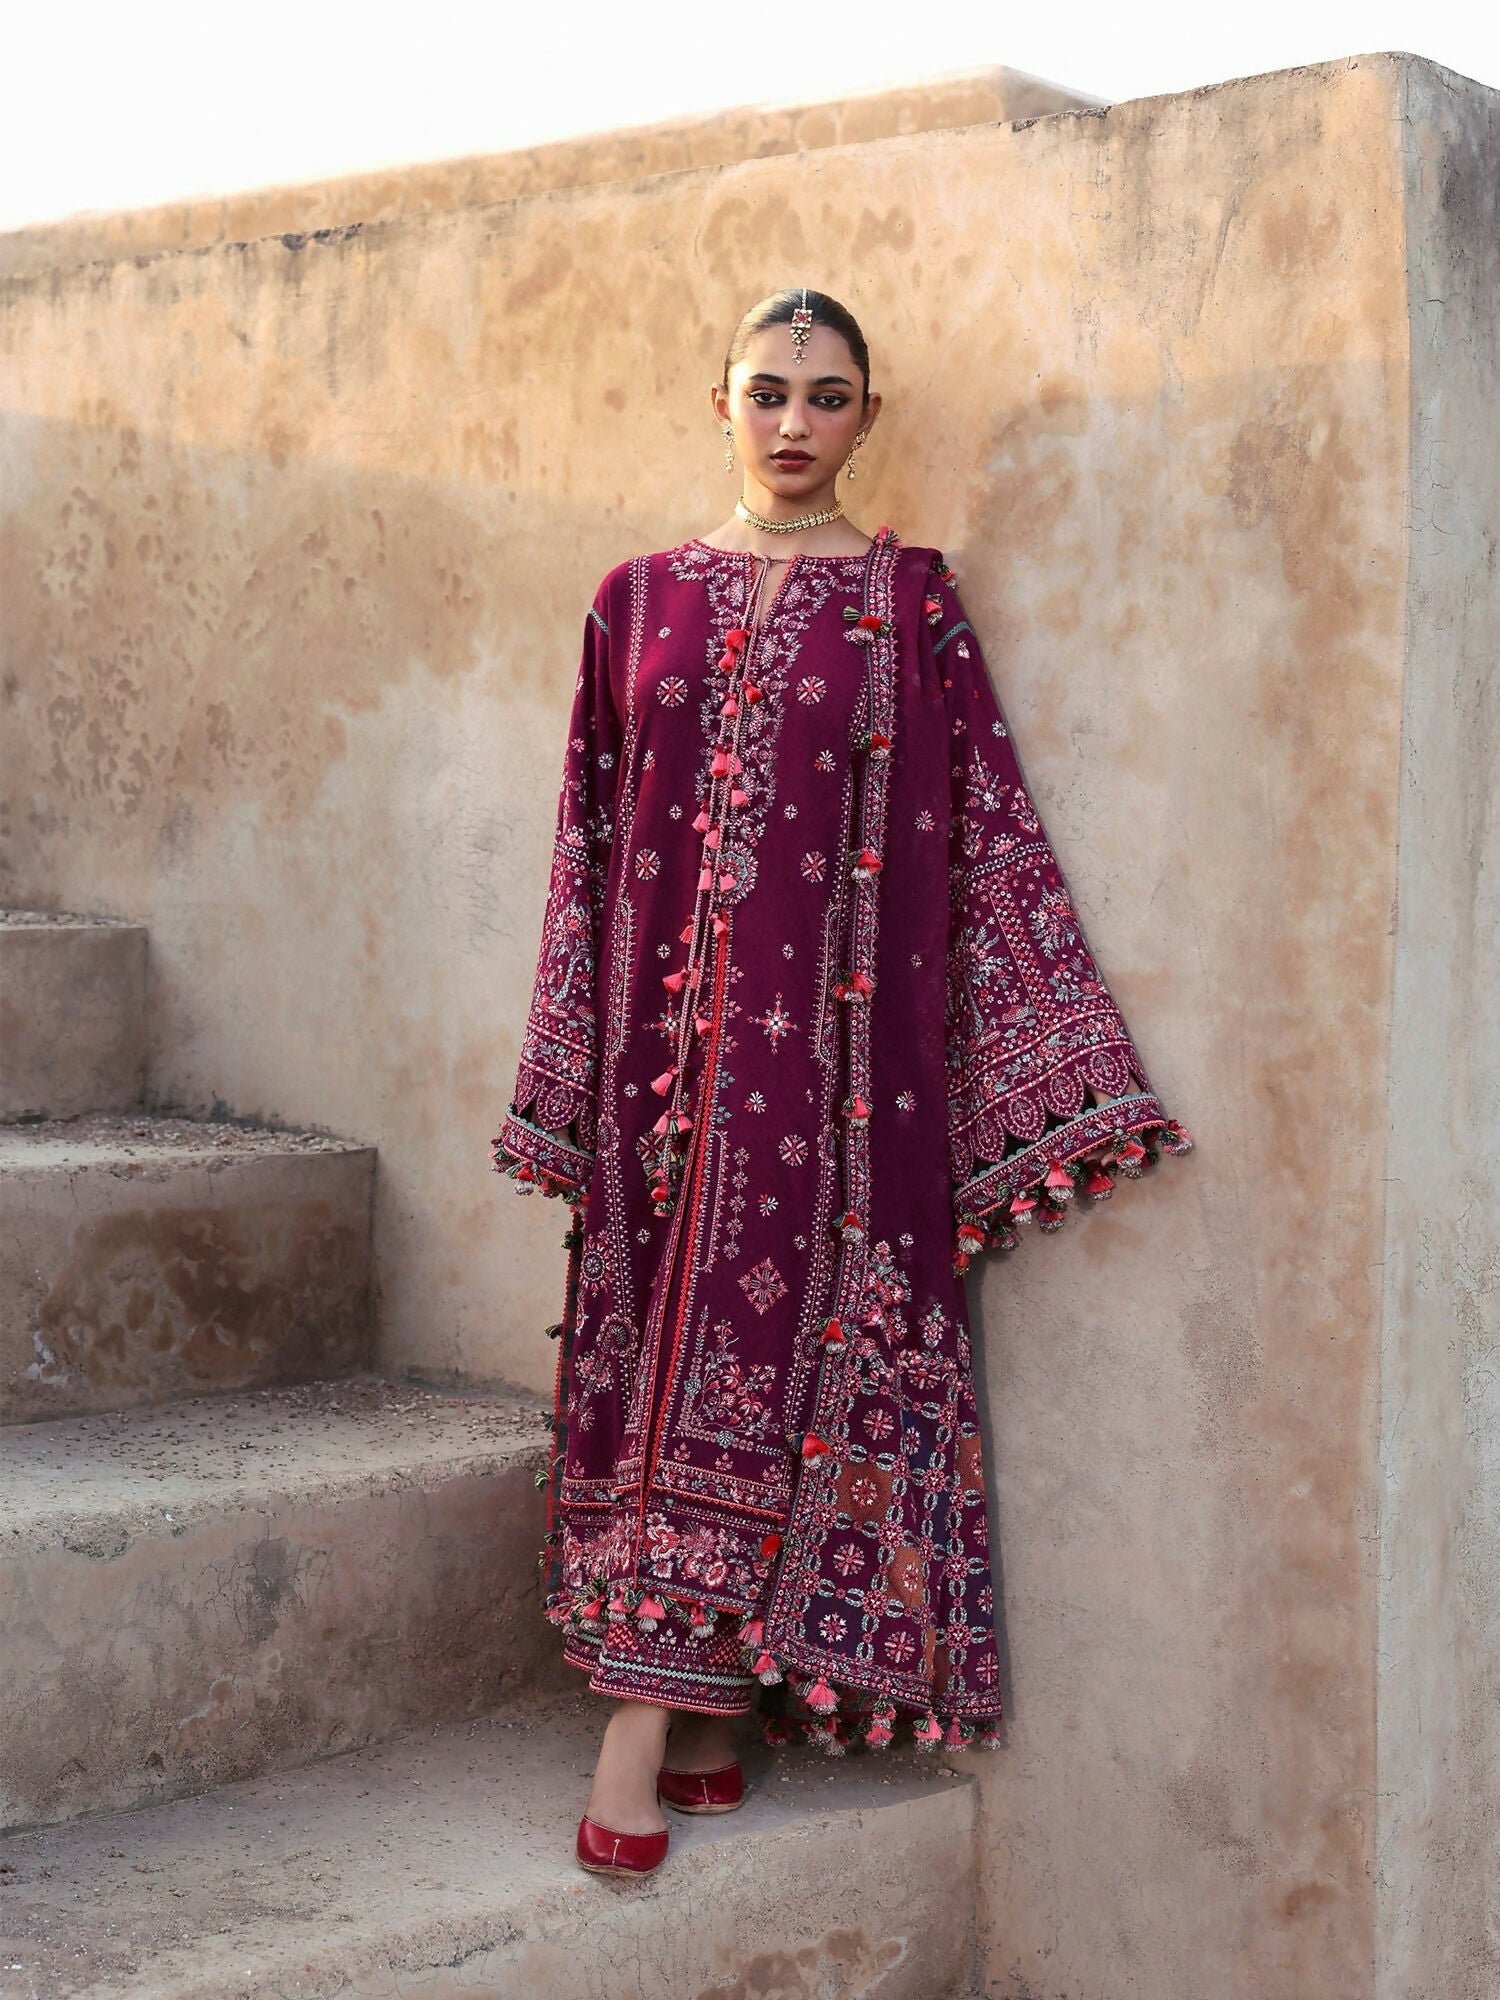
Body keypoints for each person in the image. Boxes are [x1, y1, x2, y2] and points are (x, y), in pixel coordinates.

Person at [491, 287, 1193, 1879]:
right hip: (654, 1083)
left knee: (757, 1372)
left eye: (826, 395)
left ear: (868, 415)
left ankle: (638, 1728)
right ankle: (711, 1724)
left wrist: (1042, 1068)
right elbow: (584, 849)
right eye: (767, 391)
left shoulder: (907, 604)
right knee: (655, 1369)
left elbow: (985, 827)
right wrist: (567, 1073)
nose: (794, 422)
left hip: (832, 1093)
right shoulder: (633, 601)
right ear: (720, 403)